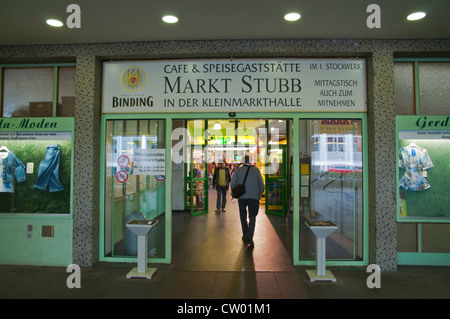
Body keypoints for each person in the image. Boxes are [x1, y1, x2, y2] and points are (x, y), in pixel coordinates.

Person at [230, 155, 264, 247]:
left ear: (242, 161)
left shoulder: (238, 170)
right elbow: (261, 184)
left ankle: (245, 234)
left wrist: (235, 192)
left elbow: (232, 183)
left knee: (243, 216)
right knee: (252, 217)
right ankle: (250, 237)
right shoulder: (256, 170)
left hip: (242, 197)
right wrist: (259, 193)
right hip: (254, 198)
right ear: (250, 161)